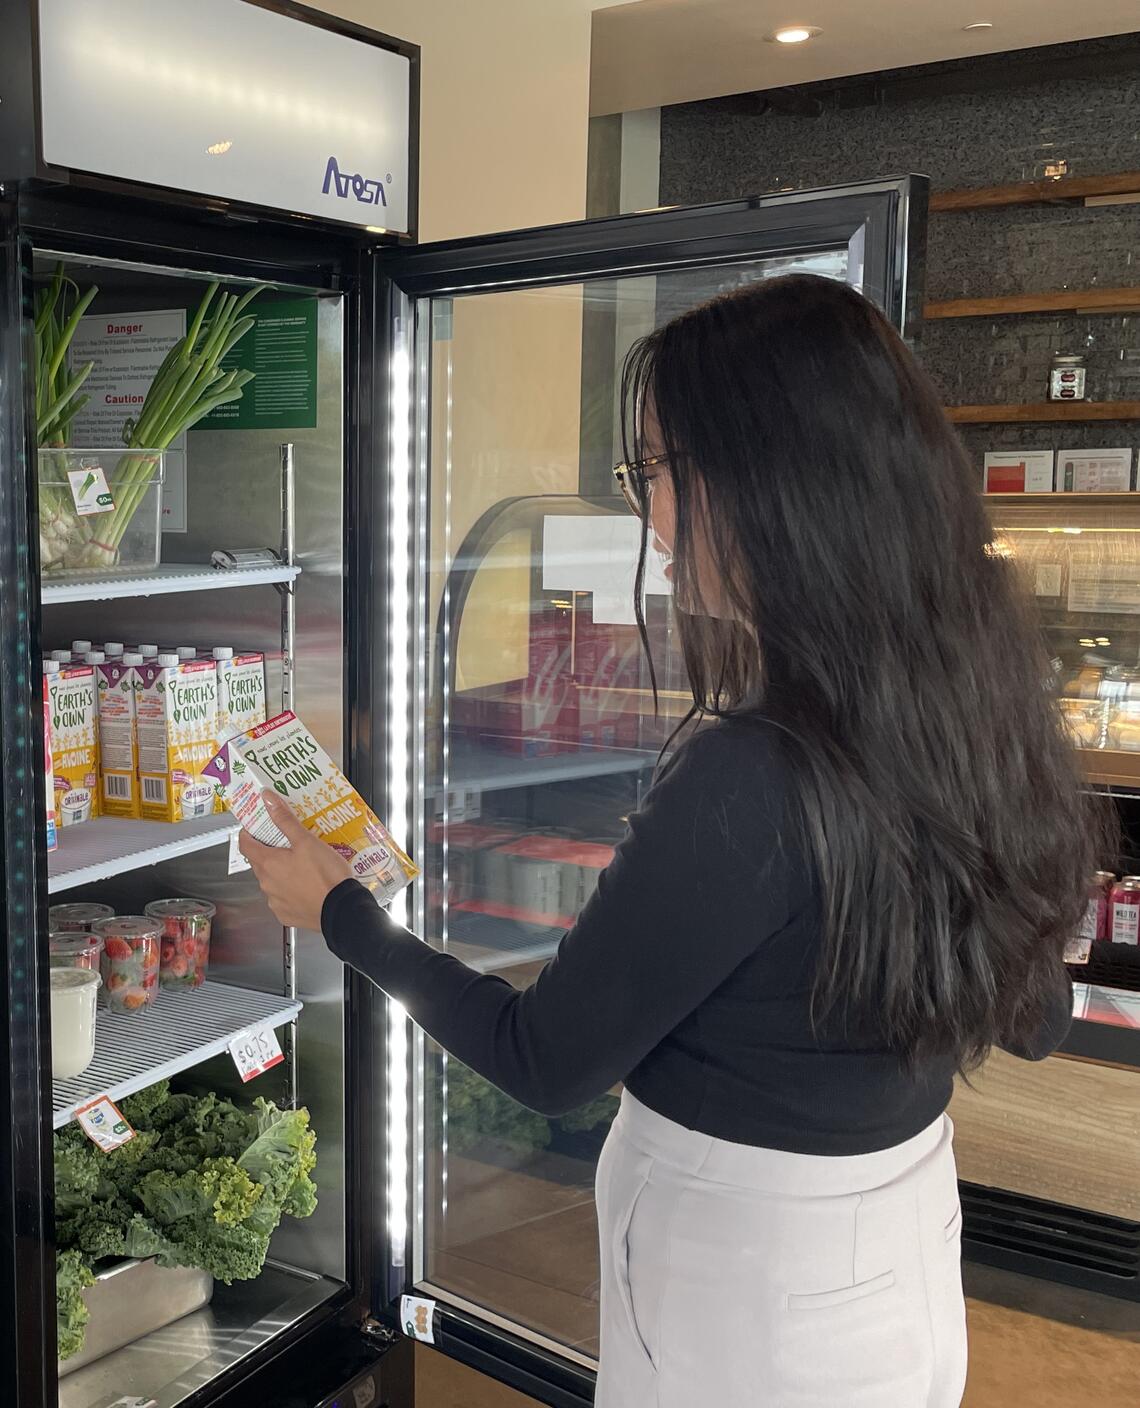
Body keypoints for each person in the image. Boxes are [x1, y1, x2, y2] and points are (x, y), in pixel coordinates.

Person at [240, 273, 1106, 1407]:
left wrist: (339, 913)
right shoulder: (969, 708)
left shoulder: (753, 773)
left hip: (751, 1293)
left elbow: (548, 1058)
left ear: (769, 479)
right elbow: (1036, 1017)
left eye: (656, 468)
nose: (647, 516)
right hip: (901, 1252)